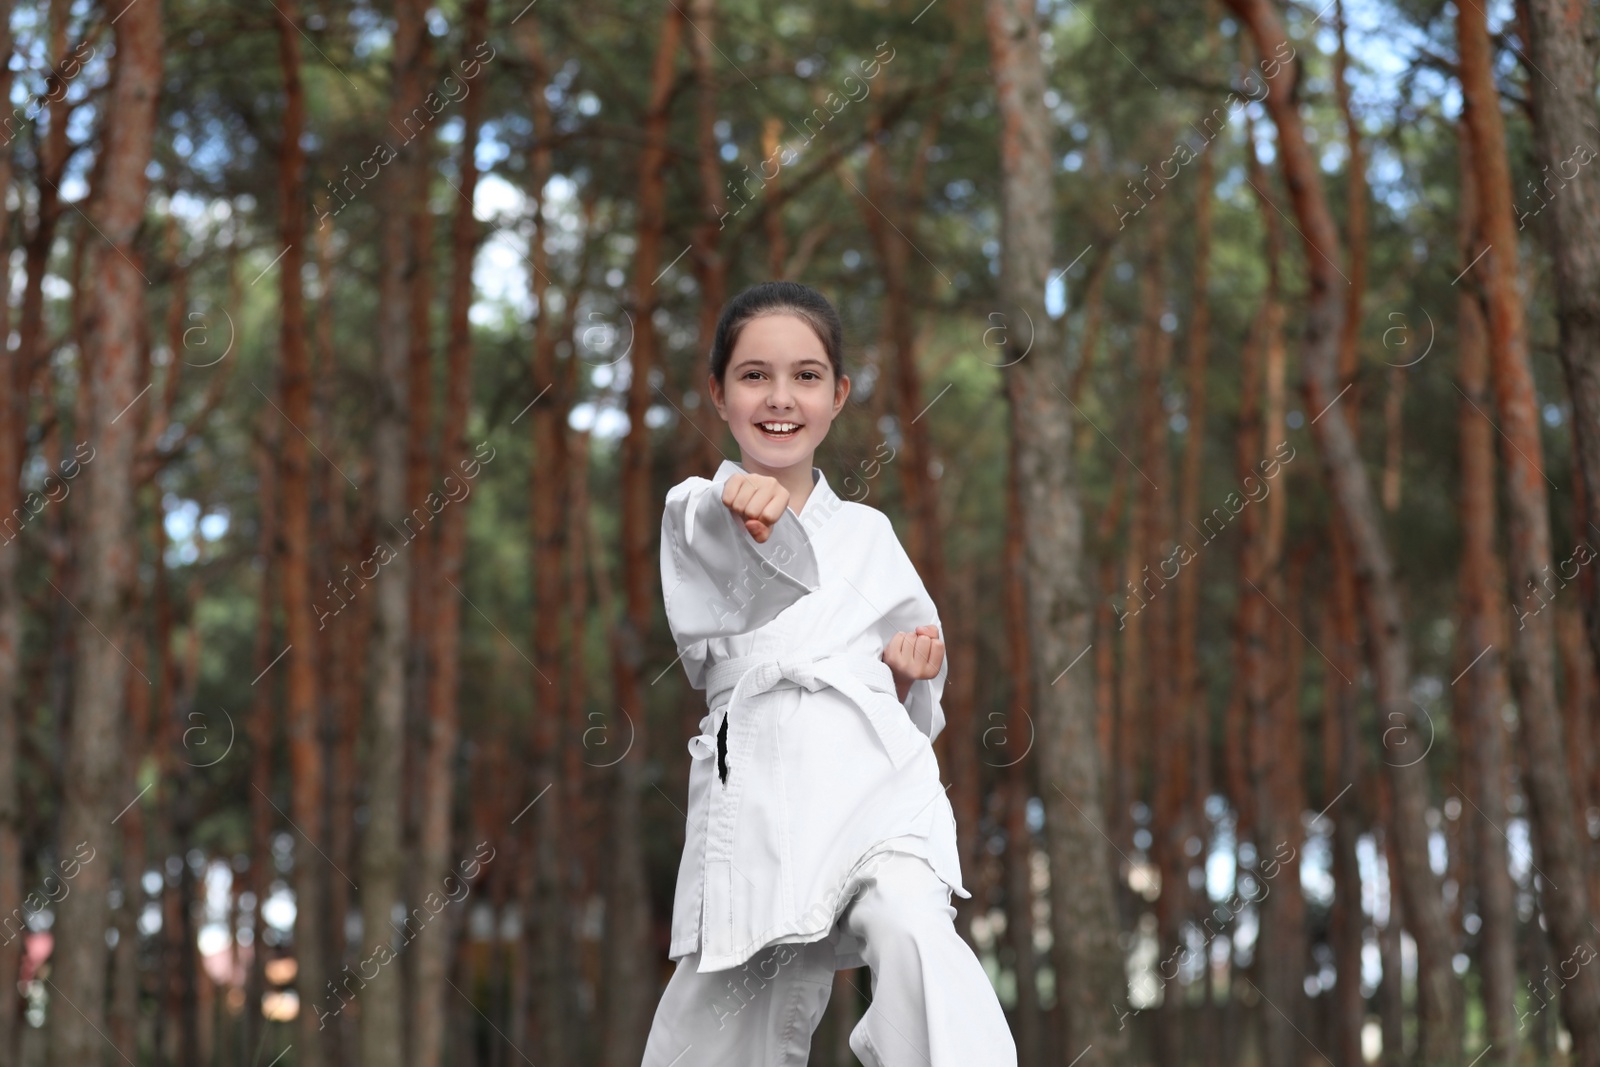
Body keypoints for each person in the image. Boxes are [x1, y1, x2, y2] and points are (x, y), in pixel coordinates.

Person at [642, 281, 1016, 1066]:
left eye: (807, 375)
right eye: (754, 375)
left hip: (871, 790)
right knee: (723, 1033)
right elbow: (717, 597)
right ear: (718, 392)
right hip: (757, 808)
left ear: (839, 394)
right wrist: (741, 515)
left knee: (915, 925)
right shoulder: (695, 509)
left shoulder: (871, 535)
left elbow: (918, 686)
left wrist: (913, 675)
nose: (781, 398)